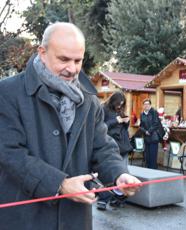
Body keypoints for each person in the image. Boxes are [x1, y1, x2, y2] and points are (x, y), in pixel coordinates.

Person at [0, 22, 140, 230]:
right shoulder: (8, 92)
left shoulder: (89, 100)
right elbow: (10, 153)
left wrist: (119, 174)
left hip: (74, 220)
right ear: (43, 52)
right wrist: (59, 184)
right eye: (64, 59)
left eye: (78, 60)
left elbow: (102, 147)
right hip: (24, 219)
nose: (72, 69)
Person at [97, 91, 133, 210]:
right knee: (107, 174)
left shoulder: (120, 110)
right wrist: (116, 121)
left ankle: (117, 198)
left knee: (122, 172)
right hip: (109, 145)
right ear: (113, 101)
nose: (120, 106)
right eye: (118, 103)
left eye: (122, 104)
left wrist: (126, 123)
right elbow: (101, 127)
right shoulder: (103, 109)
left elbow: (123, 129)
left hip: (123, 146)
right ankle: (103, 199)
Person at [139, 98, 160, 169]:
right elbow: (141, 126)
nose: (146, 106)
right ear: (143, 106)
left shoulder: (154, 112)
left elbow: (156, 123)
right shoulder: (142, 114)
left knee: (153, 156)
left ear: (150, 105)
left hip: (153, 137)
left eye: (148, 104)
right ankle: (148, 171)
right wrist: (145, 131)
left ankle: (153, 171)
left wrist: (149, 131)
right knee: (147, 156)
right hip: (146, 137)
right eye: (145, 104)